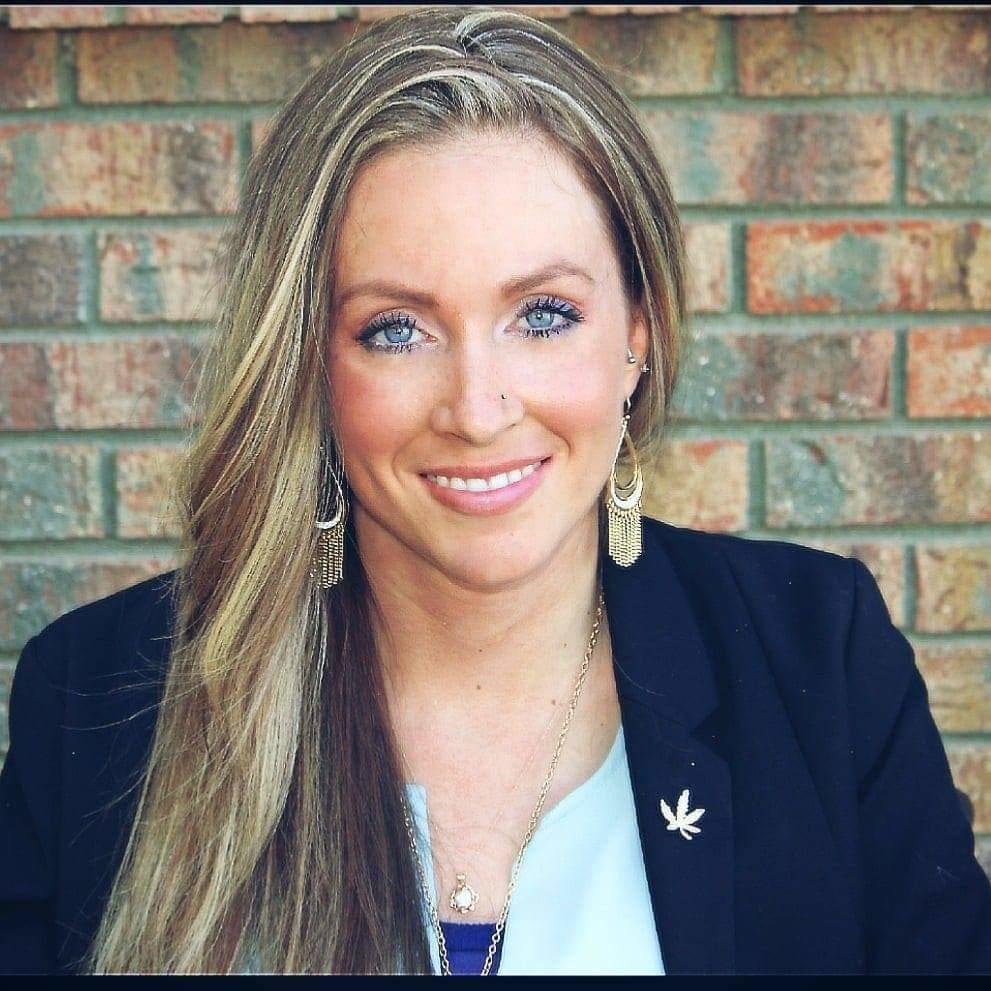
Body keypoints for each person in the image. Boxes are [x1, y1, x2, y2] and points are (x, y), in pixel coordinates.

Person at [1, 5, 989, 976]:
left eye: (544, 314)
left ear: (637, 334)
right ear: (307, 360)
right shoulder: (95, 700)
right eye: (396, 328)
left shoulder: (820, 661)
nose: (478, 407)